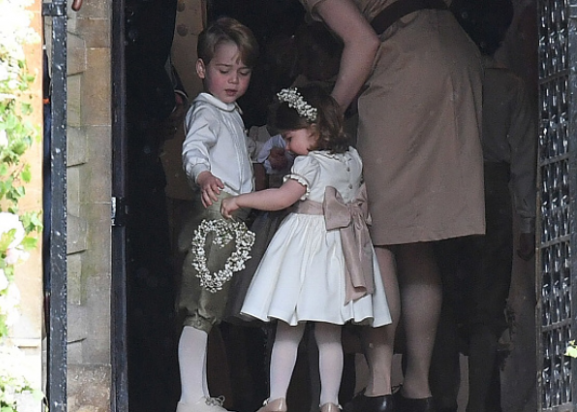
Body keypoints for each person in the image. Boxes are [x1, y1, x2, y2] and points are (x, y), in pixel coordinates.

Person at [295, 1, 486, 412]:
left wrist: (323, 121)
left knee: (376, 231)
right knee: (416, 237)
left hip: (404, 61)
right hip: (452, 54)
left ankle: (379, 387)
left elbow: (363, 42)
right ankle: (418, 388)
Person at [221, 84, 392, 412]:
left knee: (288, 327)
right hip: (340, 250)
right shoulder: (351, 158)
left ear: (313, 129)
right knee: (330, 334)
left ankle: (277, 399)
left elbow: (282, 198)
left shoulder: (309, 164)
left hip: (306, 248)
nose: (288, 146)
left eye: (289, 137)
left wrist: (240, 199)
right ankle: (330, 403)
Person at [429, 1, 537, 412]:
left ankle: (442, 399)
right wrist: (527, 223)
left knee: (443, 302)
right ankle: (480, 404)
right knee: (487, 311)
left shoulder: (448, 82)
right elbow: (523, 160)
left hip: (447, 188)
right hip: (494, 193)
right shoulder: (510, 87)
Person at [175, 17, 259, 412]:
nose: (234, 80)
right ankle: (191, 396)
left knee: (212, 309)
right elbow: (194, 148)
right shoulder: (206, 111)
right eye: (224, 70)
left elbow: (241, 153)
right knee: (201, 308)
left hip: (232, 220)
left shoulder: (230, 112)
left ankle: (200, 395)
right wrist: (203, 173)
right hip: (217, 216)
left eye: (243, 72)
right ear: (201, 68)